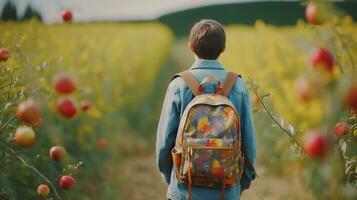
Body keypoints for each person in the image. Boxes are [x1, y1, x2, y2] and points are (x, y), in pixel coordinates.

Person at [156, 19, 256, 200]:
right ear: (223, 48)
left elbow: (164, 142)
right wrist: (243, 183)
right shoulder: (239, 86)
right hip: (227, 190)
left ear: (190, 47)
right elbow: (248, 143)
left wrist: (169, 176)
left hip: (183, 190)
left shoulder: (178, 85)